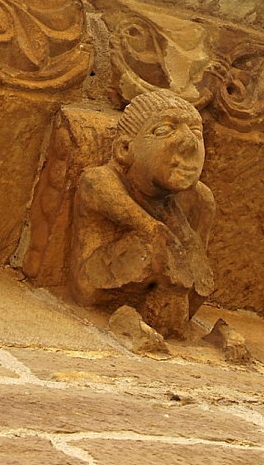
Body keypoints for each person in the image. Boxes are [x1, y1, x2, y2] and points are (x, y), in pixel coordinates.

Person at [68, 90, 216, 338]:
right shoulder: (100, 180)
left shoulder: (199, 199)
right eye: (164, 130)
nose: (190, 144)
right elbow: (151, 230)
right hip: (99, 285)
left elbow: (197, 270)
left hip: (171, 306)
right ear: (125, 148)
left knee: (187, 258)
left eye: (196, 132)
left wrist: (186, 247)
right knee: (152, 244)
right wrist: (170, 237)